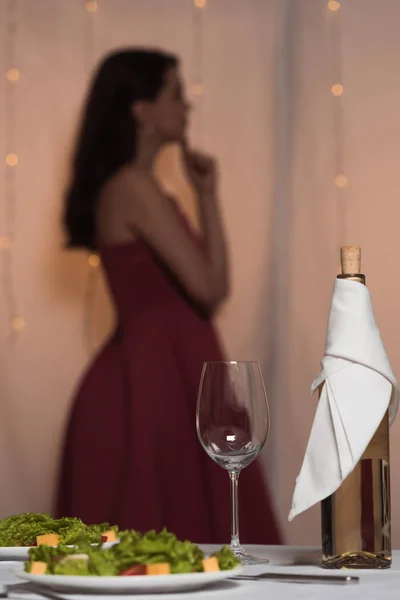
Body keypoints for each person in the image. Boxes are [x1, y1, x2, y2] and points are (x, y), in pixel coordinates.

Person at [56, 48, 281, 544]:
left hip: (168, 372)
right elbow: (206, 288)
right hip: (150, 382)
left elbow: (214, 290)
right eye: (176, 93)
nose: (188, 107)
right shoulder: (133, 186)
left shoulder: (144, 188)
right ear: (141, 109)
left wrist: (206, 194)